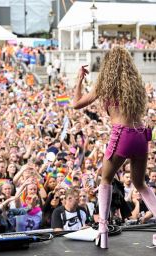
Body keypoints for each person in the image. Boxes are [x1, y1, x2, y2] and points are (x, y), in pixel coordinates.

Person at [72, 46, 156, 249]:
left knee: (106, 179)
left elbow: (76, 104)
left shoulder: (105, 84)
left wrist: (79, 81)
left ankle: (102, 229)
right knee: (141, 184)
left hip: (122, 136)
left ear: (108, 65)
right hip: (141, 135)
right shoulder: (136, 85)